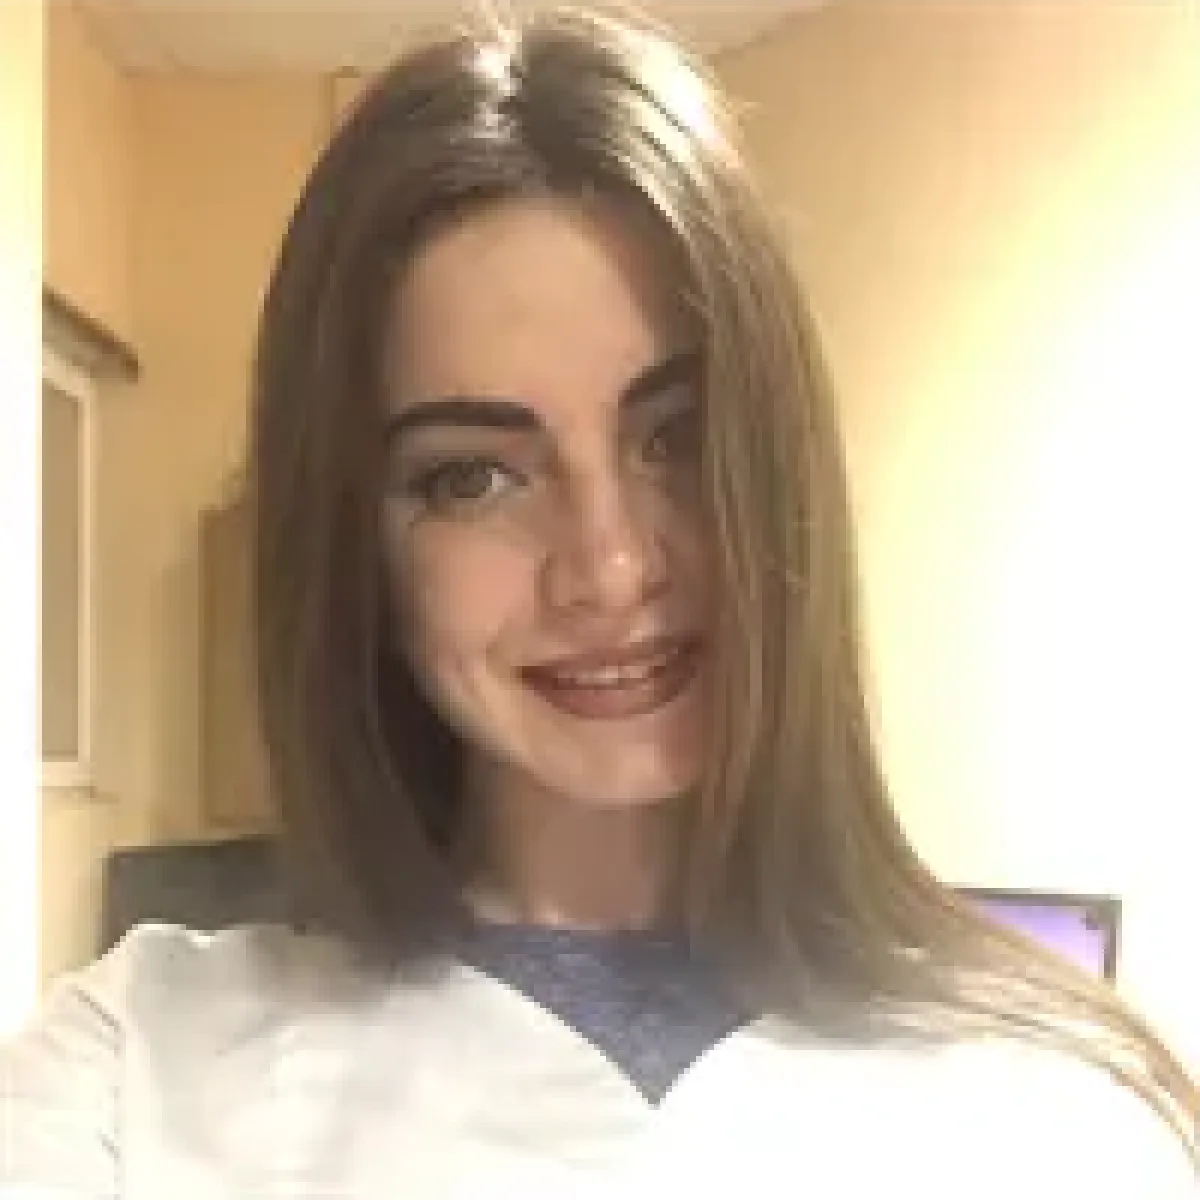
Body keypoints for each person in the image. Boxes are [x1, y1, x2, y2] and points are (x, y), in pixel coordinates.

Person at [3, 7, 1196, 1197]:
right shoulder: (132, 1073)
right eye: (473, 477)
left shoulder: (1065, 1113)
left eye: (676, 437)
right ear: (358, 545)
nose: (612, 567)